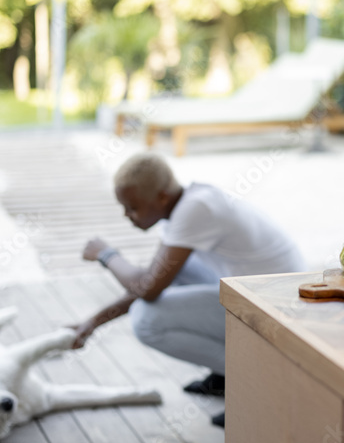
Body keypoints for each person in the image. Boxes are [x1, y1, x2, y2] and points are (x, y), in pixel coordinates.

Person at [69, 152, 306, 428]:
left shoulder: (196, 210)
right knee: (175, 273)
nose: (127, 216)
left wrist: (107, 255)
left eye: (133, 207)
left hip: (278, 305)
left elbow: (146, 289)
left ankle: (261, 386)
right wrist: (92, 323)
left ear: (161, 197)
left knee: (147, 319)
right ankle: (225, 377)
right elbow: (151, 281)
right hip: (261, 292)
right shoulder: (185, 205)